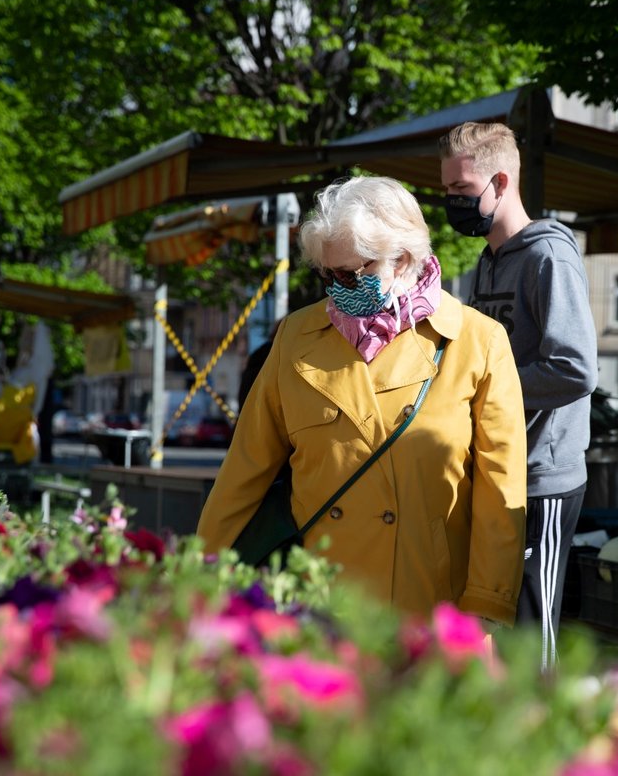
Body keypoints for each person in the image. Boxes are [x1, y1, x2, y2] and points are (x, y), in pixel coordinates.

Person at [198, 176, 528, 631]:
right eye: (329, 274)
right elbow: (243, 471)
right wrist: (199, 574)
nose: (340, 287)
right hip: (317, 605)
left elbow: (501, 491)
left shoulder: (479, 341)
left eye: (354, 274)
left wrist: (488, 606)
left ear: (405, 258)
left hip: (428, 609)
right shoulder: (295, 336)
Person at [440, 122, 599, 668]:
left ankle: (545, 745)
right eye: (447, 192)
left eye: (461, 192)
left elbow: (575, 369)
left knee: (532, 632)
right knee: (493, 623)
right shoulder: (486, 262)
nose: (451, 204)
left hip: (541, 476)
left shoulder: (548, 256)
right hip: (495, 468)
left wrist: (485, 386)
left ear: (501, 182)